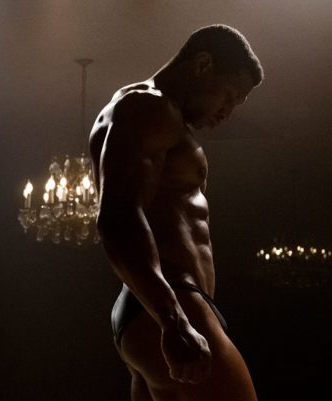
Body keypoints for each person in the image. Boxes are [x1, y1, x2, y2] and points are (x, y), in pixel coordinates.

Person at [88, 24, 264, 401]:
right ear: (203, 64)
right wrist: (173, 319)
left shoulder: (155, 115)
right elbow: (117, 218)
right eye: (229, 96)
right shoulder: (150, 108)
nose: (227, 112)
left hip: (159, 309)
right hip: (171, 304)